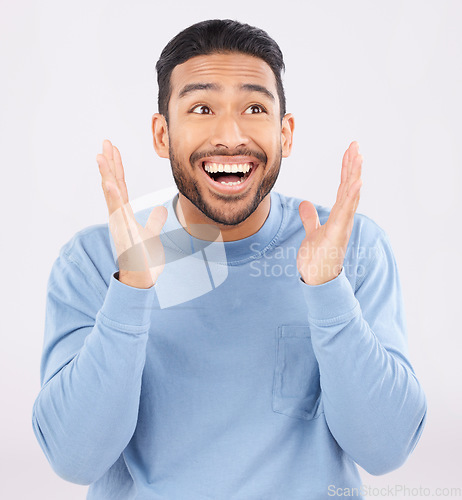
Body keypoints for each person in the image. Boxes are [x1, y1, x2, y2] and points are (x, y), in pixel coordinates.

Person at [32, 19, 427, 499]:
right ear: (162, 134)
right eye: (201, 108)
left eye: (254, 108)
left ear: (286, 132)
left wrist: (328, 291)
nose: (231, 135)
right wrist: (131, 289)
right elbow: (75, 458)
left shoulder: (351, 249)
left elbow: (385, 451)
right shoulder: (94, 262)